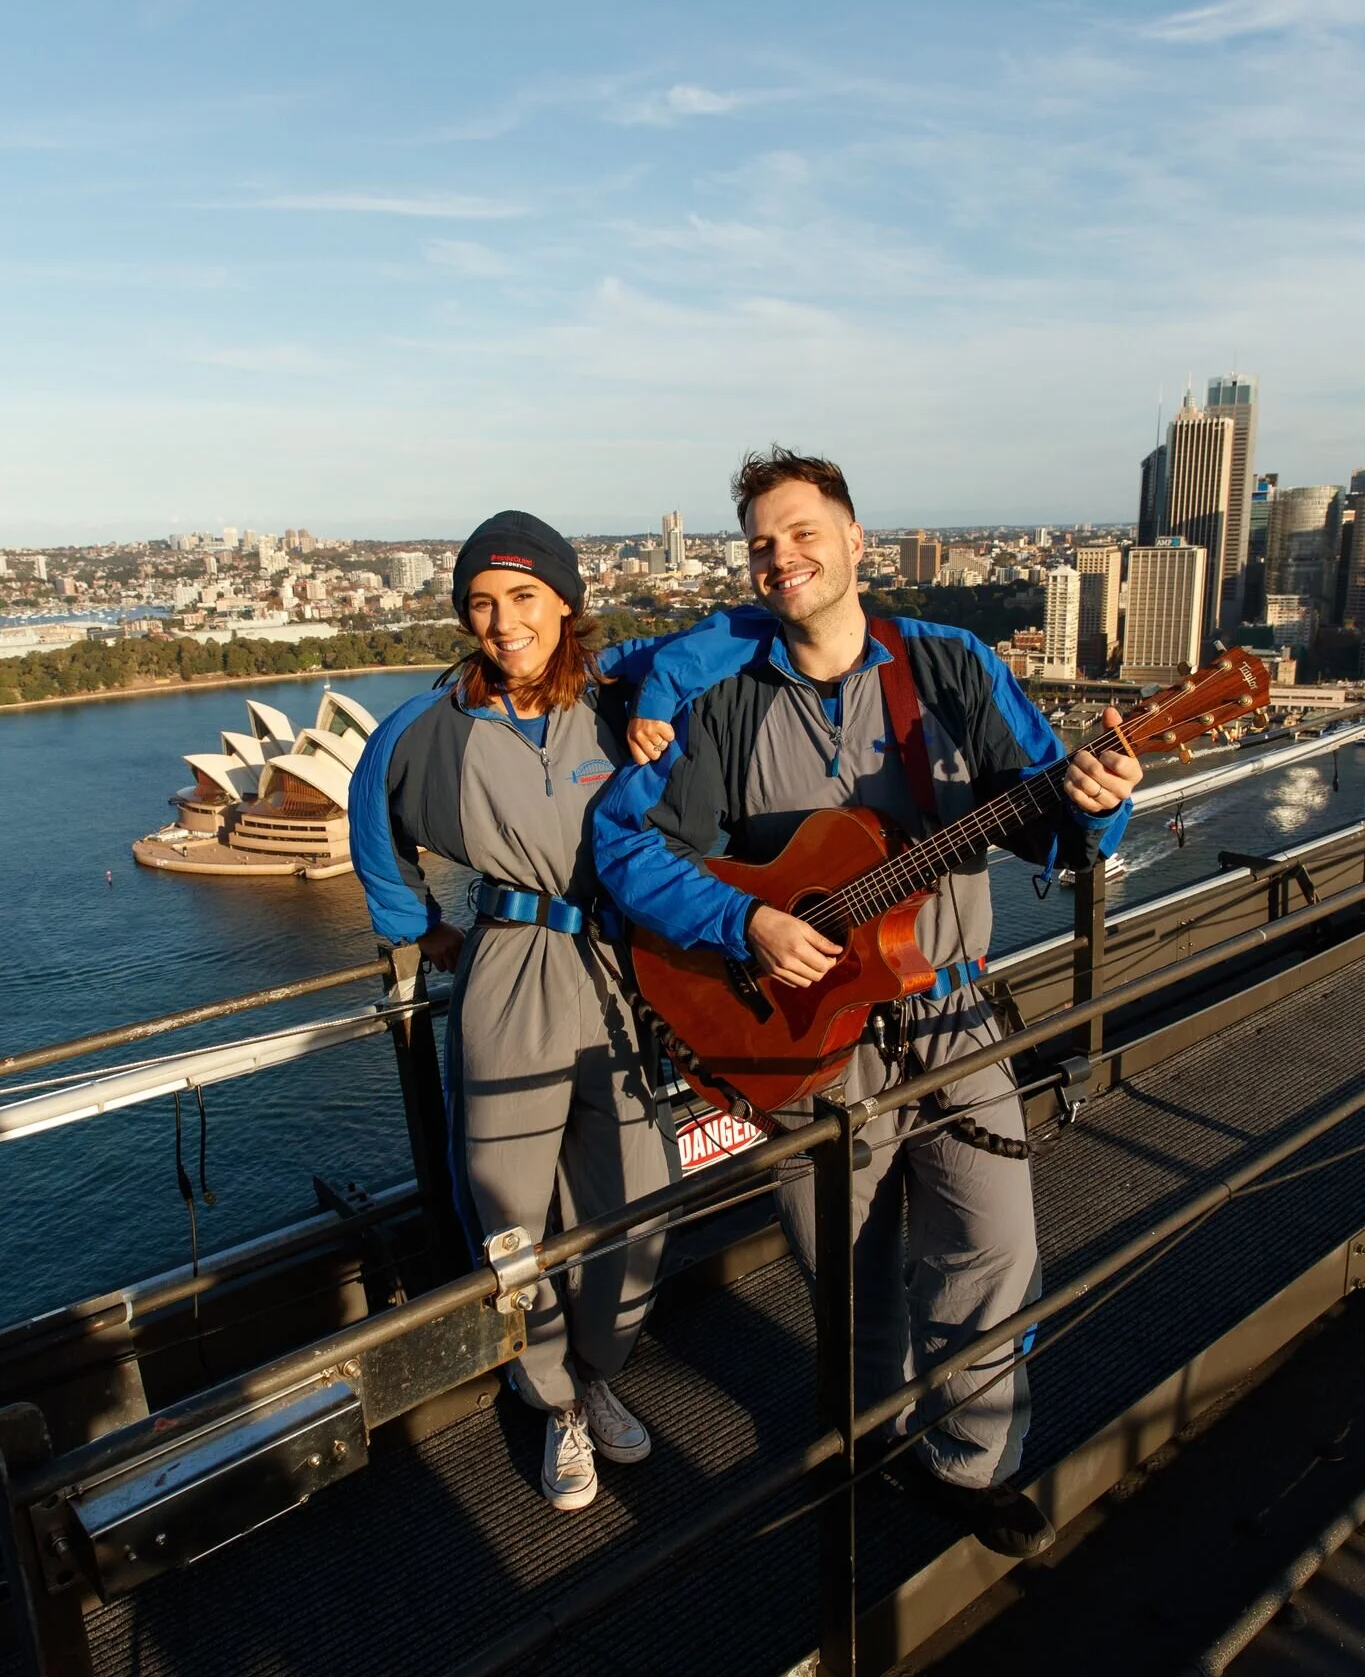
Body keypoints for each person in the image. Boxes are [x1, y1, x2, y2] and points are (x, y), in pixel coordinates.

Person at [595, 449, 1141, 1557]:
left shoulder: (948, 667)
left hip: (949, 1010)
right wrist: (745, 922)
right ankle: (874, 1436)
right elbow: (627, 843)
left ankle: (972, 1464)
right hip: (802, 1036)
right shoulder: (724, 701)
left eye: (803, 532)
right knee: (848, 1273)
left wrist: (1102, 806)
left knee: (992, 1246)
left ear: (856, 543)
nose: (781, 556)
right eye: (760, 543)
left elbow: (1051, 816)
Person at [349, 510, 679, 1513]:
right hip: (507, 968)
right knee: (508, 1206)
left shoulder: (623, 700)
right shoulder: (431, 725)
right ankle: (553, 1401)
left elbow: (726, 658)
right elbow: (372, 820)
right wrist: (423, 924)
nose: (500, 620)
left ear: (565, 601)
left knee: (640, 1189)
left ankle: (602, 1364)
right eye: (480, 604)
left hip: (618, 965)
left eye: (522, 596)